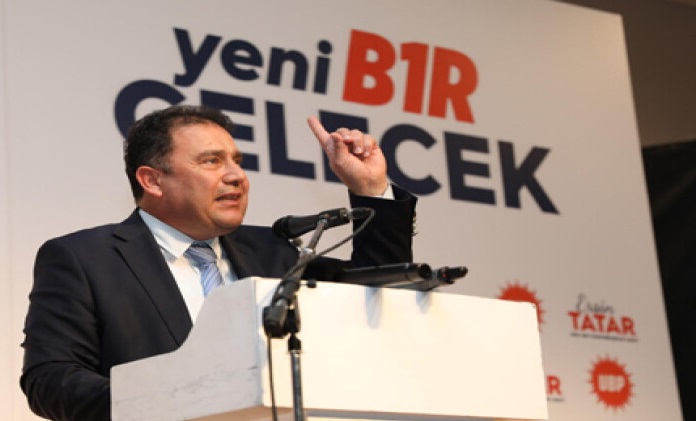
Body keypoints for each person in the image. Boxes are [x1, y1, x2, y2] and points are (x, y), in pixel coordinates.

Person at [20, 105, 417, 421]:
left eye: (237, 160)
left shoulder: (275, 250)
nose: (237, 176)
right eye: (211, 161)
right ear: (152, 181)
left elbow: (376, 295)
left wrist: (370, 189)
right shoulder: (84, 258)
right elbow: (50, 380)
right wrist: (173, 399)